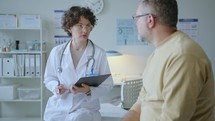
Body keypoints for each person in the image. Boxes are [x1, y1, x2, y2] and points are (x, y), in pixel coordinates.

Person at [122, 0, 214, 121]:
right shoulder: (157, 53)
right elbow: (143, 99)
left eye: (137, 18)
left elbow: (174, 118)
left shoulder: (183, 55)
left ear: (150, 20)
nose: (136, 23)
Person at [43, 6, 113, 121]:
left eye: (88, 26)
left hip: (85, 108)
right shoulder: (57, 52)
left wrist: (88, 90)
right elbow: (49, 78)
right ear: (70, 27)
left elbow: (108, 84)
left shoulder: (98, 53)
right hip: (59, 107)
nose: (85, 30)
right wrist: (56, 87)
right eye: (80, 25)